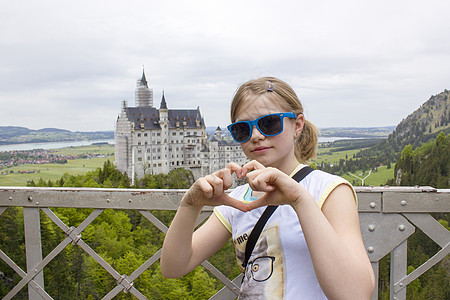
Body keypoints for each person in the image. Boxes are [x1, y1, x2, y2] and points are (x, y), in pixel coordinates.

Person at [161, 77, 375, 299]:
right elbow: (174, 267)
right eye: (242, 129)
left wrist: (300, 200)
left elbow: (356, 294)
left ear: (298, 125)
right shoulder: (238, 199)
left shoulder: (328, 190)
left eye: (270, 123)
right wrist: (190, 205)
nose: (256, 136)